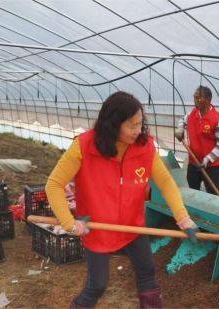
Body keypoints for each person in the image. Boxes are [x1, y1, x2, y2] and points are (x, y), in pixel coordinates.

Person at [45, 91, 199, 309]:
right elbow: (54, 185)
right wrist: (70, 224)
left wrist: (183, 218)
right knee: (97, 285)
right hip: (97, 228)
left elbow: (165, 182)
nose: (137, 131)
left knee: (147, 272)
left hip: (132, 226)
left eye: (140, 124)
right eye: (131, 126)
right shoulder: (84, 146)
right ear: (112, 124)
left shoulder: (144, 147)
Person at [175, 86, 219, 195]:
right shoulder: (193, 114)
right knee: (193, 191)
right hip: (194, 161)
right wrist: (180, 129)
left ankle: (216, 210)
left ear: (208, 100)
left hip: (211, 165)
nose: (195, 100)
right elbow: (182, 120)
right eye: (194, 97)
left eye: (199, 98)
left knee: (213, 193)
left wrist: (208, 159)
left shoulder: (218, 120)